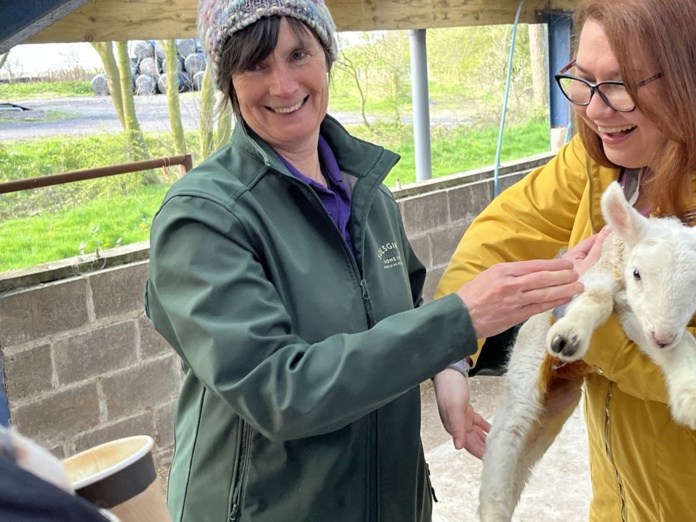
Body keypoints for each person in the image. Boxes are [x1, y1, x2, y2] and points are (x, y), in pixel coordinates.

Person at [145, 0, 603, 520]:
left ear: (327, 56)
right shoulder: (204, 219)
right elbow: (278, 389)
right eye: (255, 64)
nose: (283, 85)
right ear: (228, 80)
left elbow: (402, 325)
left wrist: (458, 360)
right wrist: (460, 321)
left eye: (299, 54)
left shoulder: (368, 197)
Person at [434, 0, 696, 520]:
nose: (595, 110)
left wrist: (581, 328)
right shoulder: (601, 164)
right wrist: (450, 343)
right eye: (582, 80)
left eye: (621, 85)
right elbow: (505, 234)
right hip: (618, 501)